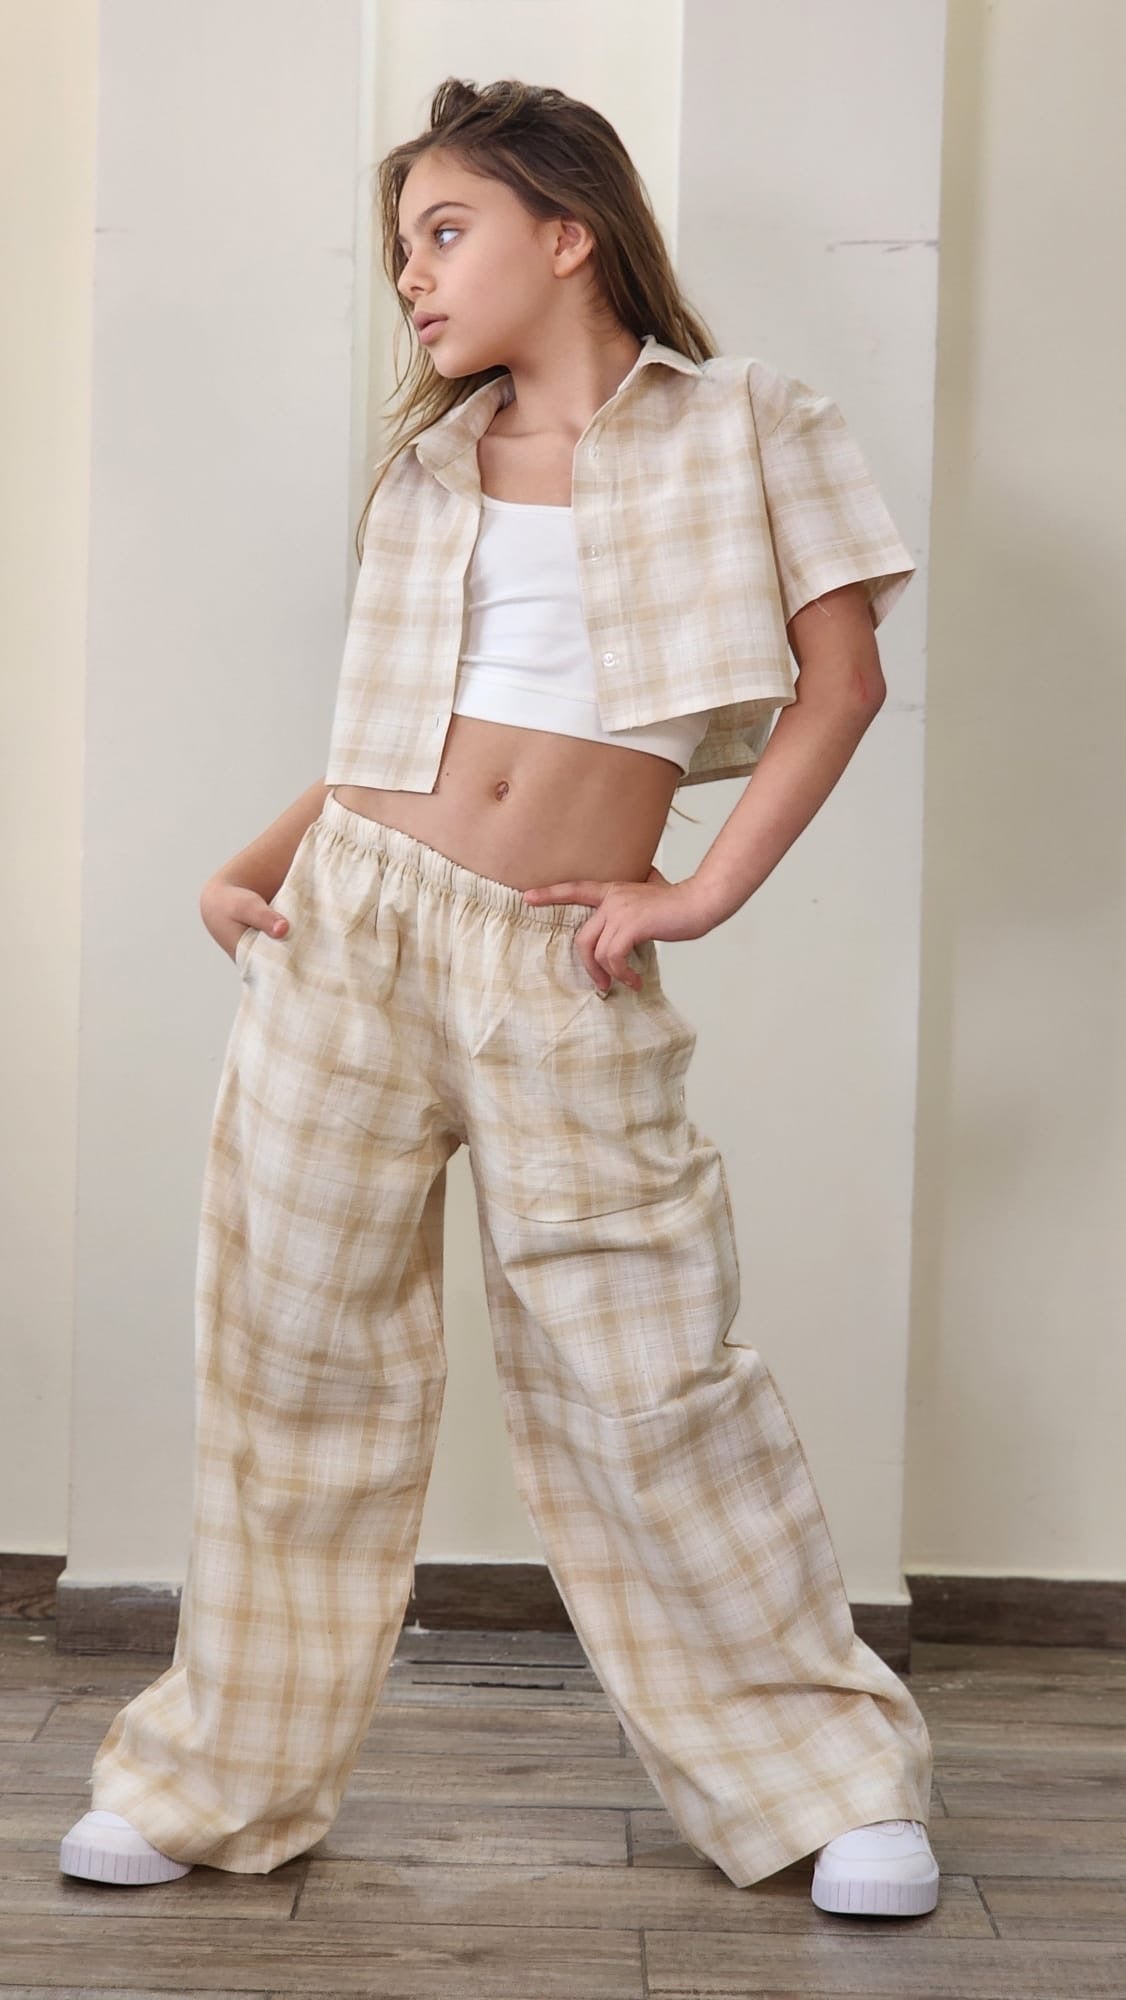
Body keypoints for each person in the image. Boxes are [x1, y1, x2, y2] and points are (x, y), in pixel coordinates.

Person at [60, 76, 939, 1917]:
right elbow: (394, 738)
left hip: (557, 949)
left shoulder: (749, 422)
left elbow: (840, 682)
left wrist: (698, 888)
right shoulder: (429, 469)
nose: (413, 276)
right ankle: (211, 1780)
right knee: (289, 1361)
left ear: (569, 232)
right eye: (401, 248)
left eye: (443, 232)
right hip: (345, 931)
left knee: (650, 1375)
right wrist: (249, 861)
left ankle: (827, 1780)